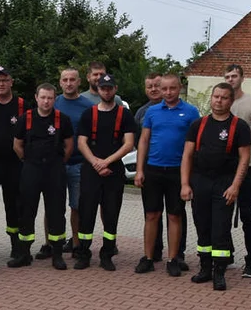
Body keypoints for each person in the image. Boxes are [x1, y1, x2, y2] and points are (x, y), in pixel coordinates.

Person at [180, 83, 251, 291]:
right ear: (211, 98)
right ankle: (205, 268)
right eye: (216, 97)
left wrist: (235, 186)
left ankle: (219, 272)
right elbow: (187, 155)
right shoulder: (198, 125)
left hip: (224, 183)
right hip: (200, 181)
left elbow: (244, 158)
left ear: (231, 101)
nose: (219, 101)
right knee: (202, 227)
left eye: (224, 98)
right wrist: (185, 184)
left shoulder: (240, 126)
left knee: (220, 229)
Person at [134, 73, 201, 277]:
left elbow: (195, 145)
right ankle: (148, 257)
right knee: (151, 215)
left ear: (179, 87)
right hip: (153, 169)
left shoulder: (191, 112)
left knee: (174, 216)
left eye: (172, 88)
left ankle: (173, 259)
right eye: (164, 89)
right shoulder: (152, 112)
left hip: (177, 171)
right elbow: (143, 141)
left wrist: (188, 178)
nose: (168, 92)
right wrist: (139, 170)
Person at [75, 74, 135, 271]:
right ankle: (83, 254)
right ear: (97, 89)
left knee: (111, 214)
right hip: (91, 171)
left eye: (109, 88)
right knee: (86, 213)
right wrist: (95, 163)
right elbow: (81, 142)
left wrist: (107, 162)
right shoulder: (88, 114)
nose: (106, 91)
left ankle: (107, 254)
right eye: (103, 88)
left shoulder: (124, 115)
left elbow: (129, 144)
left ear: (115, 89)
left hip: (114, 170)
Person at [11, 83, 74, 270]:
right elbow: (17, 145)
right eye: (43, 97)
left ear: (55, 99)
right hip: (31, 170)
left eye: (50, 98)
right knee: (26, 211)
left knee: (56, 212)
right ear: (36, 97)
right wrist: (28, 162)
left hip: (55, 170)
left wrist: (58, 164)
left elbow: (69, 146)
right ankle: (24, 253)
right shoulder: (26, 119)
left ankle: (56, 254)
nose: (46, 101)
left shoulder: (63, 119)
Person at [223, 64, 251, 278]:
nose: (231, 79)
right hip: (226, 167)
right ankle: (227, 255)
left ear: (242, 77)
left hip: (247, 167)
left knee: (247, 214)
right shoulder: (223, 103)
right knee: (224, 211)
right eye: (227, 76)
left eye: (234, 76)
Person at [0, 66, 25, 259]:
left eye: (4, 80)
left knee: (14, 205)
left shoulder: (22, 105)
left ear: (11, 82)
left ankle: (16, 245)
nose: (1, 84)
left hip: (14, 164)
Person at [54, 67, 89, 257]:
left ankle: (76, 244)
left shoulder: (87, 106)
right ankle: (52, 243)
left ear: (79, 82)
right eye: (65, 80)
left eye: (72, 80)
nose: (68, 83)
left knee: (76, 206)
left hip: (78, 163)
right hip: (56, 165)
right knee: (54, 206)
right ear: (60, 82)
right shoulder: (54, 103)